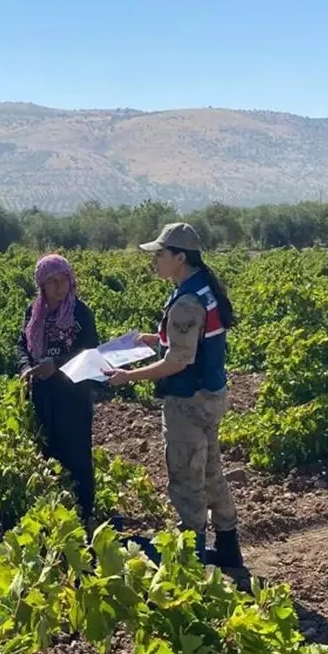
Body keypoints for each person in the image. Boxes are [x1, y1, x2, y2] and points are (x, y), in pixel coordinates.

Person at [104, 223, 244, 571]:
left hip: (189, 402)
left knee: (185, 477)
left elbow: (179, 360)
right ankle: (228, 545)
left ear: (180, 257)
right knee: (211, 471)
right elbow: (193, 341)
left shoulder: (186, 301)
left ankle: (191, 557)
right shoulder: (204, 290)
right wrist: (156, 338)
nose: (155, 261)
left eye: (160, 254)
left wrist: (128, 376)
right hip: (210, 396)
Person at [15, 255, 100, 524]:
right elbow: (21, 346)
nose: (59, 286)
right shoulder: (34, 313)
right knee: (48, 453)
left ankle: (83, 515)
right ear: (41, 285)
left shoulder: (81, 313)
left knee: (77, 456)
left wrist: (58, 365)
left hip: (73, 397)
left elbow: (90, 353)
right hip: (43, 397)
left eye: (63, 279)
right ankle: (54, 514)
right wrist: (25, 368)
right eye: (52, 281)